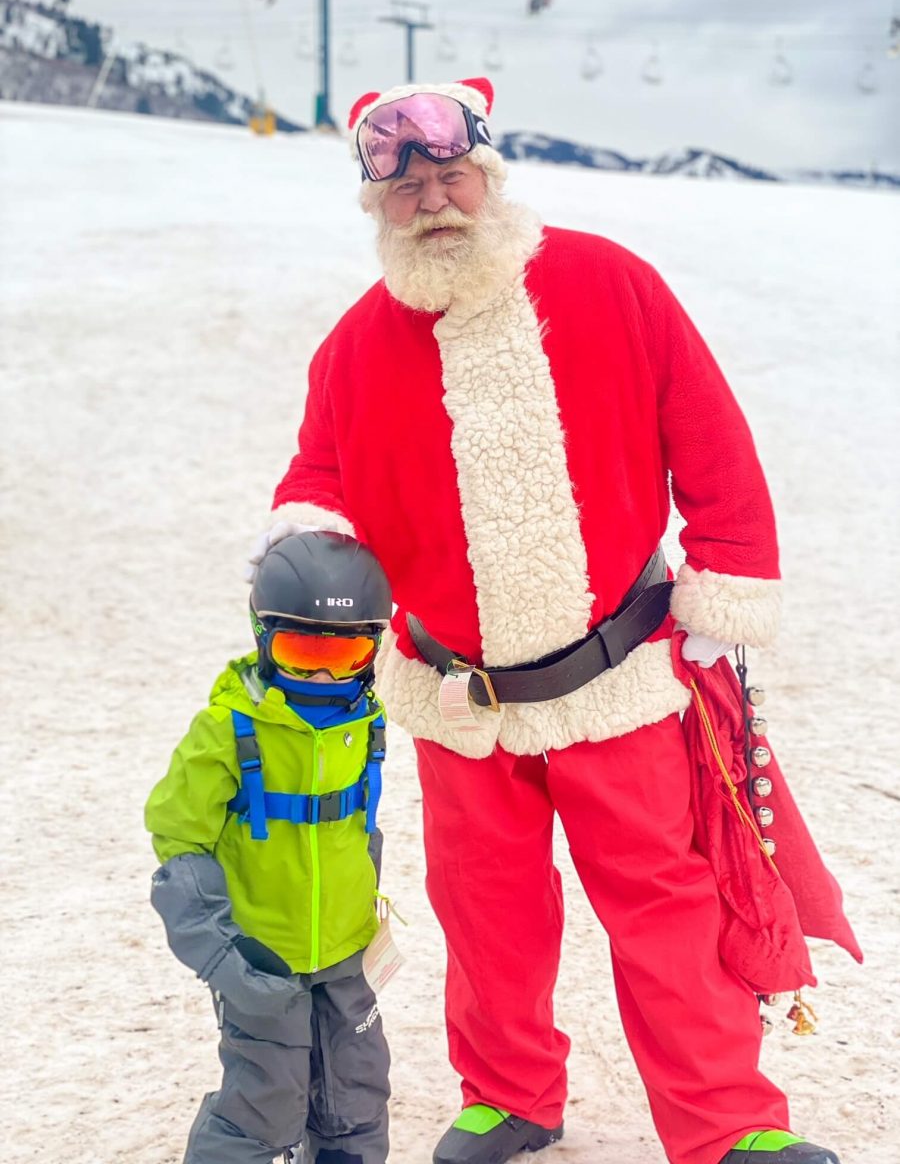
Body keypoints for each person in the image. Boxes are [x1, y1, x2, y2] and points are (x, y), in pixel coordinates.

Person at [247, 78, 858, 1164]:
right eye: (408, 190)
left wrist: (726, 583)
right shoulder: (354, 346)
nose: (436, 203)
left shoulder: (611, 284)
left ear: (490, 175)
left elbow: (711, 439)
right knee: (487, 915)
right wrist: (307, 555)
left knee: (668, 909)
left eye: (454, 177)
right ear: (374, 206)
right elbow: (320, 476)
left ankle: (728, 1126)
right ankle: (510, 1095)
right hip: (456, 693)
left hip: (614, 677)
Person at [146, 532, 392, 1164]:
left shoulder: (364, 724)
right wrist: (225, 959)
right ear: (263, 636)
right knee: (265, 1102)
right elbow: (179, 840)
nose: (323, 672)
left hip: (344, 950)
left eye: (348, 653)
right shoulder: (228, 729)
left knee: (355, 1090)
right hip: (260, 957)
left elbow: (359, 831)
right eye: (302, 649)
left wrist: (368, 921)